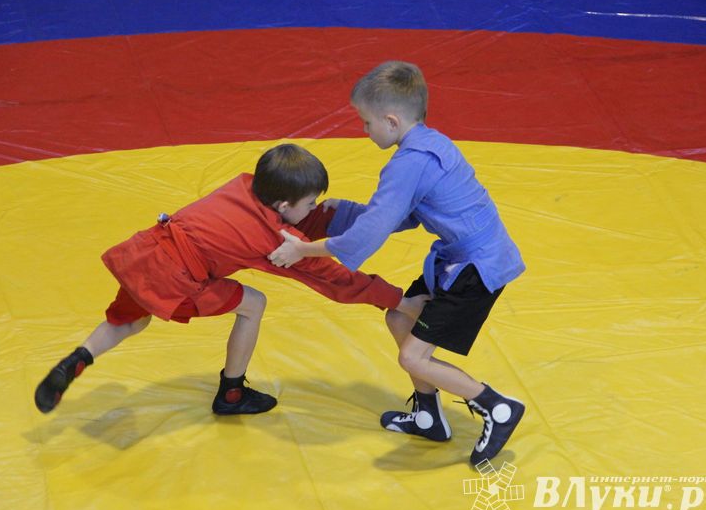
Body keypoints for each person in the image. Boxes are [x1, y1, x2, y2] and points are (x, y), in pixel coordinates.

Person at [35, 144, 426, 415]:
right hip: (179, 278)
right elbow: (335, 280)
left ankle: (78, 358)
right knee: (254, 304)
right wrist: (397, 300)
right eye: (310, 203)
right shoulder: (274, 239)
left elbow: (282, 218)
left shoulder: (243, 185)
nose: (313, 207)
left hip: (146, 254)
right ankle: (232, 392)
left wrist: (345, 219)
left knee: (128, 320)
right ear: (285, 205)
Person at [268, 61, 526, 466]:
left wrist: (304, 250)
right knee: (398, 319)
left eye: (366, 122)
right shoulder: (427, 144)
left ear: (391, 120)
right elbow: (398, 215)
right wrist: (343, 212)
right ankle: (428, 417)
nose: (364, 129)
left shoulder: (408, 163)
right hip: (462, 256)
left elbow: (370, 234)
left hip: (477, 268)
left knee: (412, 357)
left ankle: (497, 407)